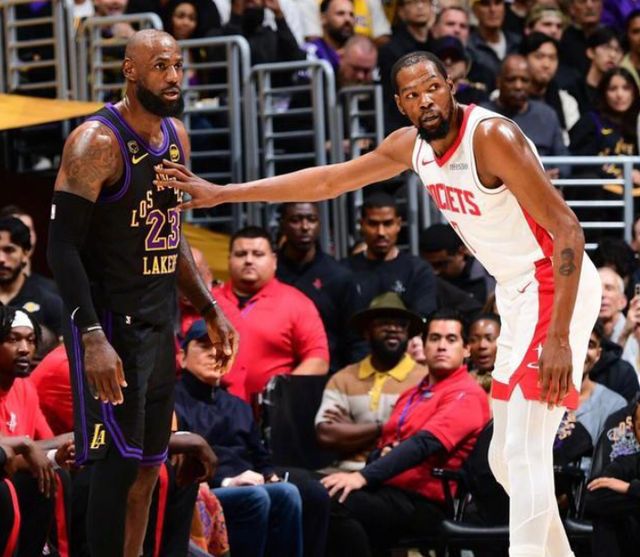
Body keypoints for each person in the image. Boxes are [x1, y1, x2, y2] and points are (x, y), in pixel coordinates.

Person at [155, 49, 603, 557]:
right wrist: (224, 194)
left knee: (524, 454)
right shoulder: (410, 146)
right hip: (515, 291)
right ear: (400, 104)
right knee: (505, 459)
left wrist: (561, 337)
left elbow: (567, 228)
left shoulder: (491, 137)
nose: (425, 100)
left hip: (553, 283)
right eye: (412, 94)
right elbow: (328, 181)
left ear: (451, 84)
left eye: (432, 87)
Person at [47, 29, 236, 557]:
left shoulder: (177, 135)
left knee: (150, 470)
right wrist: (91, 336)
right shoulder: (95, 143)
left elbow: (170, 235)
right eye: (160, 66)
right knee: (114, 469)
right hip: (109, 326)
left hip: (158, 325)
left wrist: (209, 306)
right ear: (130, 71)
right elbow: (61, 249)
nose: (173, 77)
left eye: (177, 65)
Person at [320, 309, 490, 554]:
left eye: (451, 339)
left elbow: (423, 444)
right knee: (313, 492)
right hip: (390, 490)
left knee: (334, 502)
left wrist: (362, 476)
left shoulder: (467, 394)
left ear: (466, 350)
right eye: (434, 338)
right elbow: (382, 447)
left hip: (427, 503)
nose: (442, 346)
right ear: (423, 345)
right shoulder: (410, 395)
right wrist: (381, 455)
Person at [174, 319, 329, 557]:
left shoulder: (238, 405)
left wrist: (270, 476)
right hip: (204, 490)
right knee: (256, 497)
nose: (214, 353)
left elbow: (260, 457)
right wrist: (227, 482)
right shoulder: (171, 401)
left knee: (290, 492)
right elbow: (178, 467)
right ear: (182, 357)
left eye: (220, 347)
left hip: (249, 484)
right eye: (204, 346)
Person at [211, 225, 329, 400]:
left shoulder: (296, 303)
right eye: (241, 254)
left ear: (274, 261)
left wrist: (282, 392)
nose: (249, 260)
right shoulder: (209, 300)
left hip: (274, 410)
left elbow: (318, 359)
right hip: (211, 408)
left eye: (258, 254)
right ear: (229, 260)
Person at [315, 292, 427, 472]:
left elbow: (420, 437)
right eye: (384, 323)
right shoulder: (343, 378)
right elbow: (326, 435)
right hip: (345, 470)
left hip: (402, 473)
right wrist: (384, 428)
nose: (393, 329)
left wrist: (355, 430)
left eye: (401, 325)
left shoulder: (426, 379)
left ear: (408, 334)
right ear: (366, 333)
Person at [276, 202, 355, 372]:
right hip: (275, 372)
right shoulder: (269, 272)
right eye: (296, 220)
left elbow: (353, 340)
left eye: (311, 219)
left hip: (328, 374)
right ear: (282, 224)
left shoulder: (338, 276)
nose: (305, 227)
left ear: (319, 224)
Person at [482, 54, 569, 178]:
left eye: (525, 80)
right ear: (498, 82)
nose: (518, 86)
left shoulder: (547, 115)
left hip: (541, 185)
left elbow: (564, 160)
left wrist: (554, 174)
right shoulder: (482, 115)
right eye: (511, 80)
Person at [585, 400, 640, 557]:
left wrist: (628, 488)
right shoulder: (629, 462)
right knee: (606, 516)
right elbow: (593, 496)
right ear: (635, 432)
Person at [0, 216, 64, 338]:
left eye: (9, 250)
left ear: (26, 253)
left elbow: (65, 348)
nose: (1, 259)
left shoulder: (50, 304)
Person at [304, 0, 355, 74]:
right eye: (340, 14)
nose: (348, 19)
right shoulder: (311, 52)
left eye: (351, 15)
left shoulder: (359, 54)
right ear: (323, 18)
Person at [468, 312, 501, 393]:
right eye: (474, 339)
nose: (482, 346)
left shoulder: (516, 382)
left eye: (489, 338)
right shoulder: (462, 383)